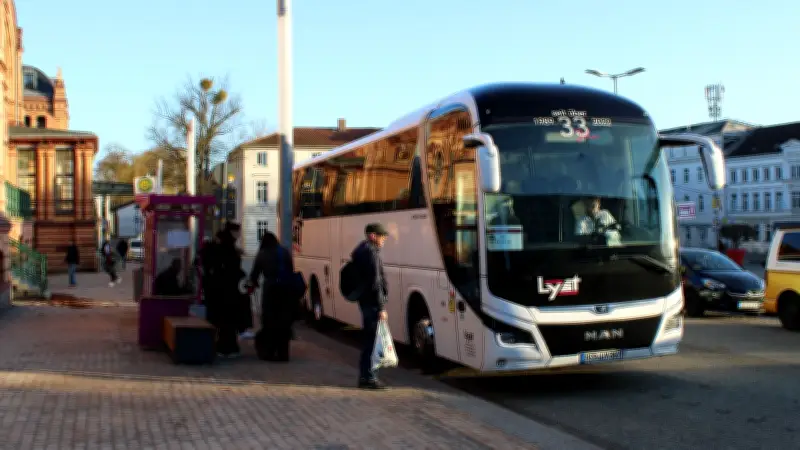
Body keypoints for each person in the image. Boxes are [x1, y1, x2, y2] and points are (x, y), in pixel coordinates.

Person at [350, 223, 390, 390]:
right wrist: (381, 307)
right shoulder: (371, 253)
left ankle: (365, 376)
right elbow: (376, 282)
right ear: (373, 236)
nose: (383, 240)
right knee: (373, 342)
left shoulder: (361, 250)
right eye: (382, 236)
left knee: (369, 340)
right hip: (372, 303)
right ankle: (370, 378)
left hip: (365, 301)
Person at [249, 232, 295, 362]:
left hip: (270, 290)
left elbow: (254, 275)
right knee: (283, 321)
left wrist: (253, 283)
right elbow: (291, 270)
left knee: (270, 321)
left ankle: (269, 352)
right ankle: (283, 353)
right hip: (286, 291)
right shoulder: (284, 252)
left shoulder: (262, 254)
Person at [208, 223, 244, 358]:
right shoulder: (228, 248)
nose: (239, 234)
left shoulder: (222, 245)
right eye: (237, 231)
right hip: (227, 290)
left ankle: (224, 345)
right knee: (228, 320)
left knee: (223, 319)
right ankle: (227, 347)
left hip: (220, 289)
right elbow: (231, 268)